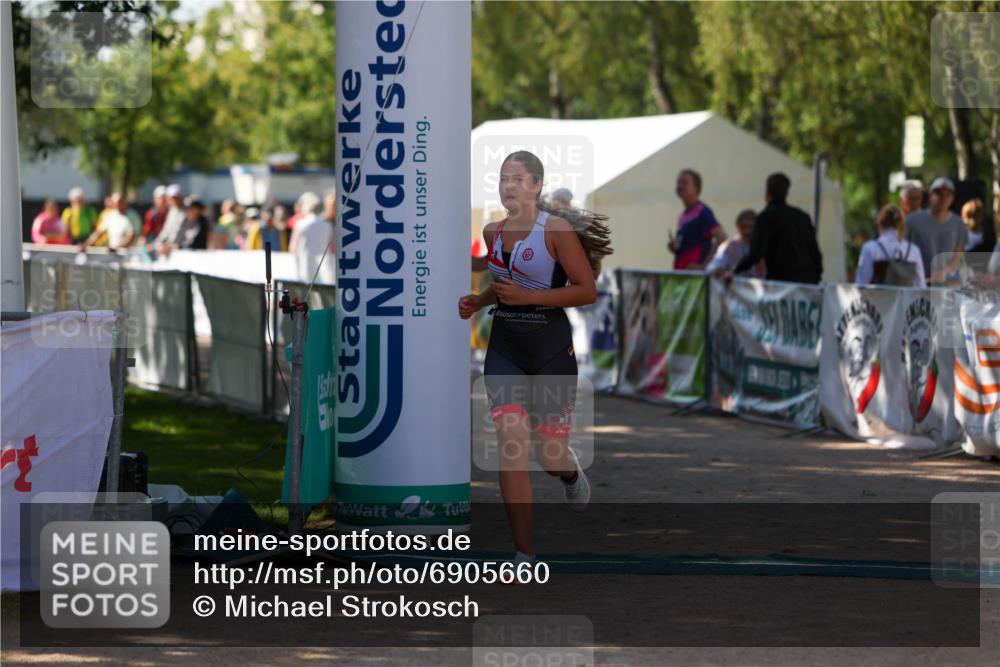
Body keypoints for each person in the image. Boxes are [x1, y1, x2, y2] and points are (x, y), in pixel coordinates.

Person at [457, 150, 612, 570]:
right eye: (504, 178)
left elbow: (586, 291)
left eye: (518, 178)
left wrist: (531, 298)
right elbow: (503, 283)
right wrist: (479, 301)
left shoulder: (556, 230)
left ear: (537, 185)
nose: (509, 185)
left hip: (550, 350)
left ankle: (570, 474)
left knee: (547, 454)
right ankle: (523, 555)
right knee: (510, 445)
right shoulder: (493, 231)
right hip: (505, 347)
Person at [732, 173, 823, 283]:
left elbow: (755, 254)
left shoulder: (765, 217)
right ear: (787, 192)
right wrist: (816, 277)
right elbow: (815, 253)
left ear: (767, 192)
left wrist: (734, 271)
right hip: (807, 282)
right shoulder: (803, 217)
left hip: (782, 283)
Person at [904, 177, 966, 284]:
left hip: (947, 284)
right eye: (938, 193)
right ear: (930, 196)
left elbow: (958, 257)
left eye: (947, 195)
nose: (943, 198)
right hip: (918, 283)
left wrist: (943, 272)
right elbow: (902, 252)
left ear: (952, 198)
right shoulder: (911, 221)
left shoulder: (959, 223)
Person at [668, 169, 726, 270]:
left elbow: (722, 238)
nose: (680, 186)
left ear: (696, 188)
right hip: (682, 275)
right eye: (678, 182)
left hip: (695, 279)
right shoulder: (683, 216)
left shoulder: (702, 211)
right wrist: (675, 248)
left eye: (685, 183)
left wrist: (705, 266)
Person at [855, 205, 926, 287]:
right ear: (901, 224)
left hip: (878, 298)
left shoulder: (869, 248)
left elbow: (862, 284)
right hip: (906, 299)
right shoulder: (914, 250)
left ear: (880, 223)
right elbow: (921, 285)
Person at [706, 209, 764, 278]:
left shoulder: (763, 246)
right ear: (737, 226)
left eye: (751, 227)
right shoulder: (729, 246)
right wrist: (717, 270)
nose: (747, 231)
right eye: (743, 227)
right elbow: (712, 267)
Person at [288, 192, 332, 280]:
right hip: (324, 264)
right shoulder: (327, 225)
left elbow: (292, 248)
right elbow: (332, 247)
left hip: (305, 263)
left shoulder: (300, 224)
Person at [153, 184, 187, 255]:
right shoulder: (172, 211)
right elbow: (166, 230)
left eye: (176, 197)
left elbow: (183, 233)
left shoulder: (187, 211)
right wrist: (157, 243)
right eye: (172, 198)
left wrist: (171, 246)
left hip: (182, 249)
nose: (174, 200)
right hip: (169, 248)